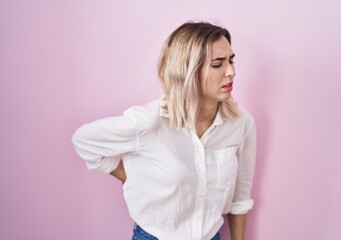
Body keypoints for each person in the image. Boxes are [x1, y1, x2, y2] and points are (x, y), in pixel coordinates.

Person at [72, 21, 256, 240]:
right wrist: (127, 176)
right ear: (188, 69)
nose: (231, 72)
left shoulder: (241, 122)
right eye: (218, 64)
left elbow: (240, 198)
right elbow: (83, 140)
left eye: (231, 61)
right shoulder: (149, 121)